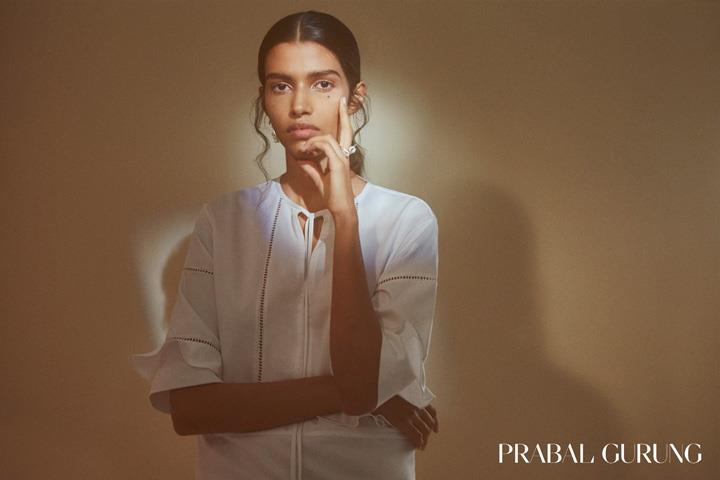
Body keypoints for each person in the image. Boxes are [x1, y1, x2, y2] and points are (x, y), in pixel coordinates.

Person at [131, 10, 440, 479]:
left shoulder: (407, 220)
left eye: (322, 84)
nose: (299, 105)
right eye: (281, 86)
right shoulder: (223, 221)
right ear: (264, 99)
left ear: (355, 98)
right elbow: (191, 408)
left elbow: (361, 387)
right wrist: (360, 392)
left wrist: (345, 218)